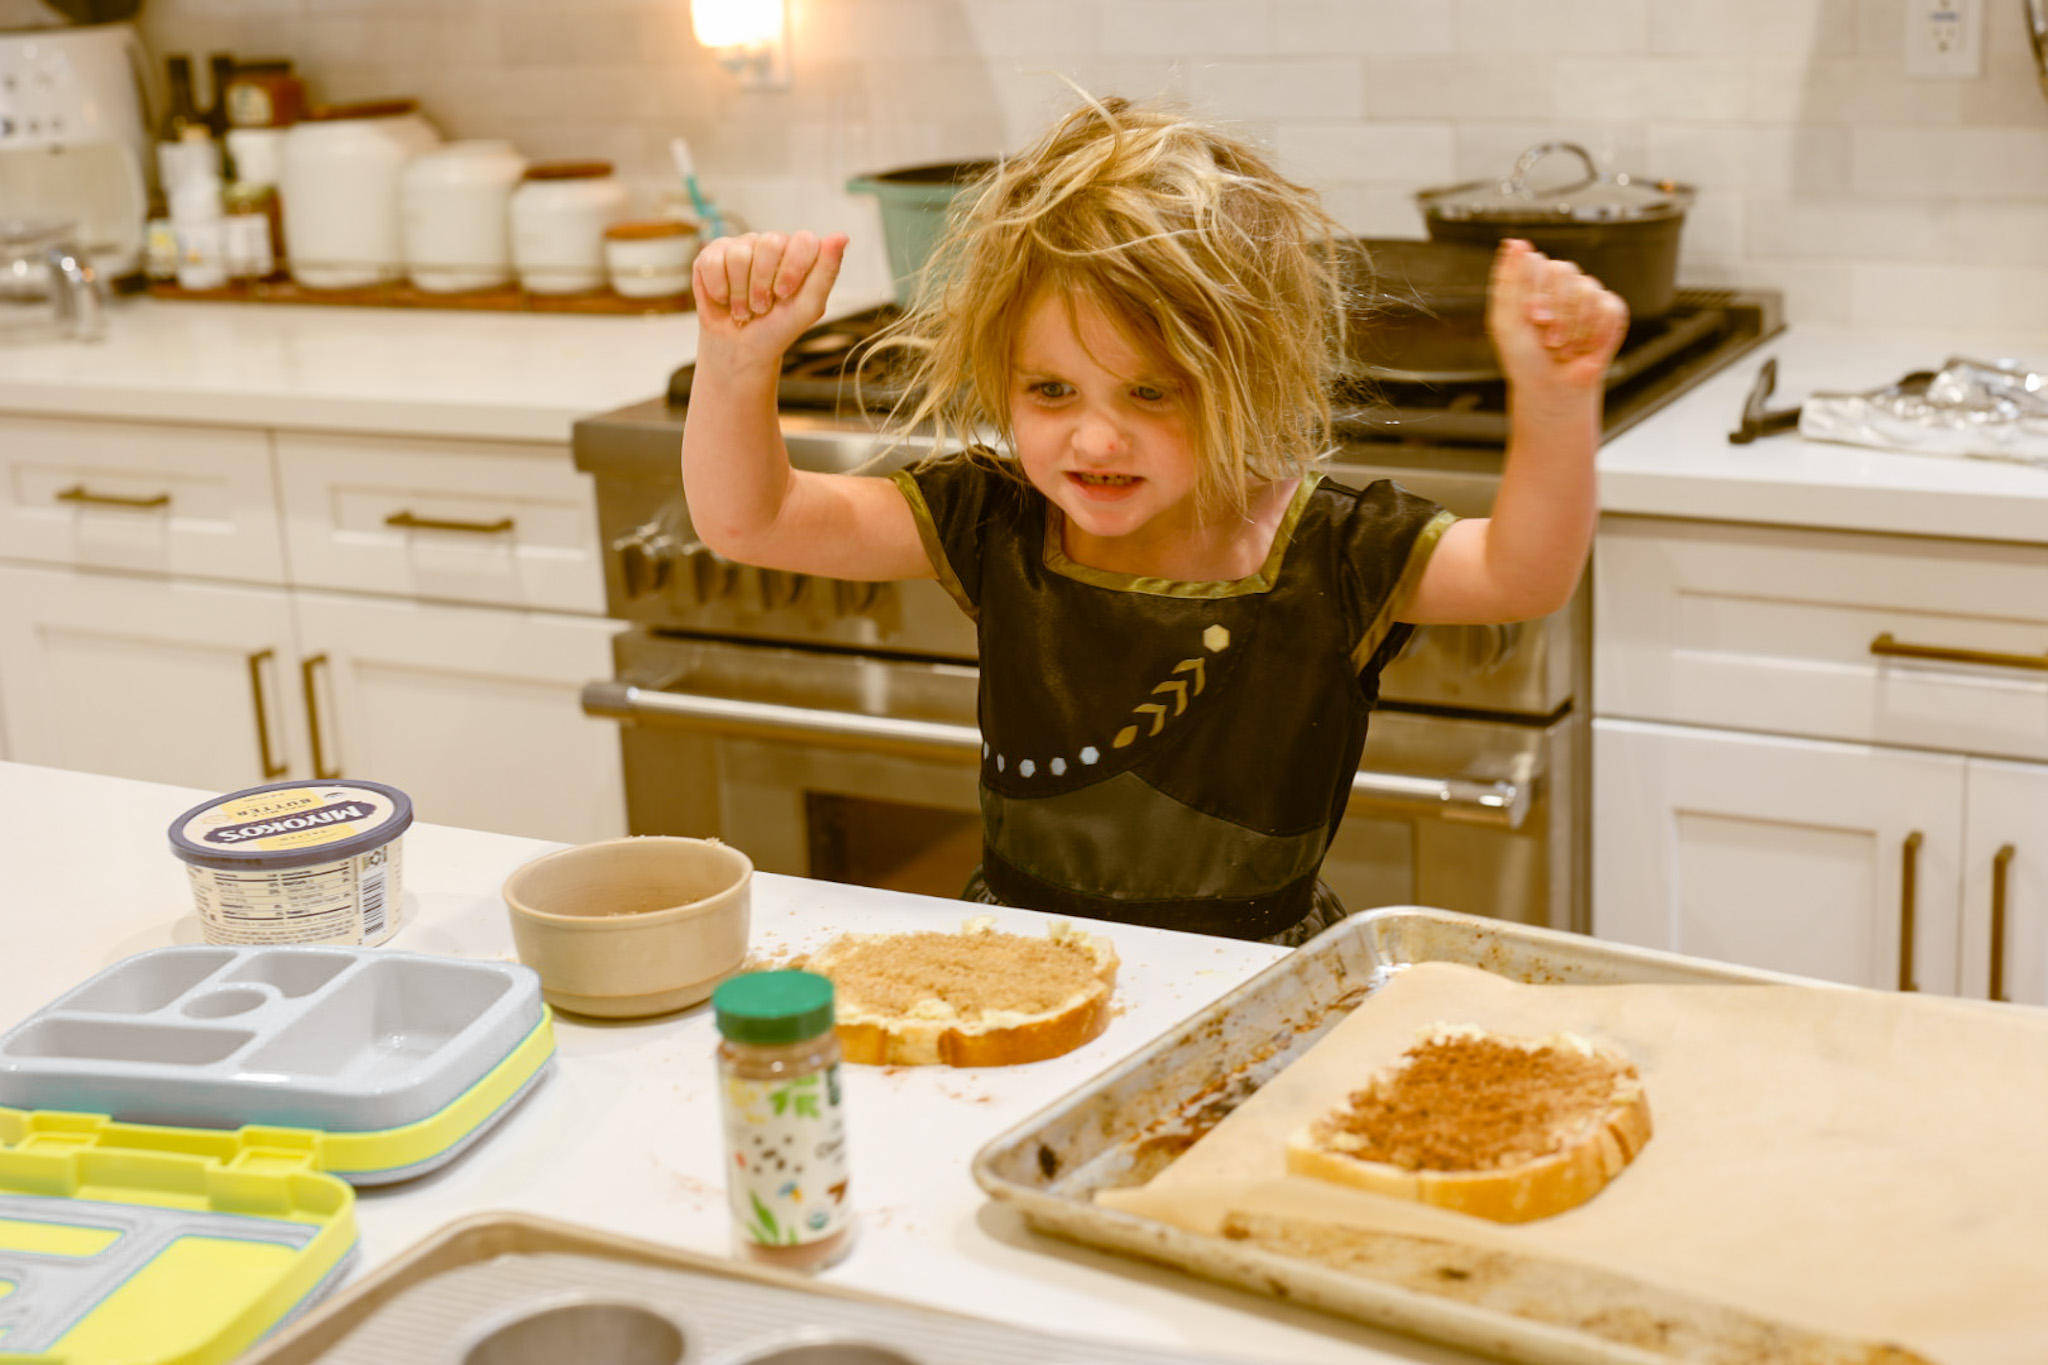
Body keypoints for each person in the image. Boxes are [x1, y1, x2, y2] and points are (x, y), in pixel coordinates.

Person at [680, 94, 1627, 947]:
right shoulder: (997, 519)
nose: (1095, 437)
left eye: (1151, 392)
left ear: (1249, 380)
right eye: (1051, 389)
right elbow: (752, 521)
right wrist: (735, 366)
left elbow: (1522, 575)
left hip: (1250, 978)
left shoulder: (1332, 551)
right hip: (1025, 963)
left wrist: (1553, 405)